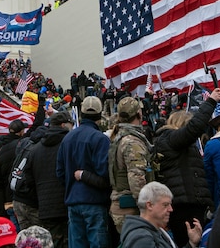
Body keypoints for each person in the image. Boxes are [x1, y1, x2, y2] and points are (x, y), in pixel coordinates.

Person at [153, 90, 217, 246]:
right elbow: (194, 128)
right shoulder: (171, 138)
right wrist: (211, 102)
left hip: (187, 204)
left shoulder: (173, 142)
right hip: (184, 207)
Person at [56, 95, 111, 248]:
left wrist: (73, 184)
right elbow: (105, 172)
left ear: (81, 114)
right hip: (95, 201)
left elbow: (60, 172)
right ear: (100, 115)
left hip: (73, 202)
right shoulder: (100, 139)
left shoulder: (67, 139)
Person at [27, 110, 73, 248]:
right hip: (67, 203)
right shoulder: (69, 144)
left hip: (45, 207)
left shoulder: (35, 150)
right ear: (64, 125)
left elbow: (28, 180)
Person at [108, 97, 152, 233]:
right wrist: (147, 209)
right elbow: (136, 178)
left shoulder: (120, 136)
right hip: (130, 209)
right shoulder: (132, 142)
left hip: (122, 207)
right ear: (138, 114)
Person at [119, 181, 202, 248]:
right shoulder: (141, 238)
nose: (171, 209)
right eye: (165, 205)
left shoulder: (156, 231)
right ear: (149, 205)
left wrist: (191, 244)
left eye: (170, 205)